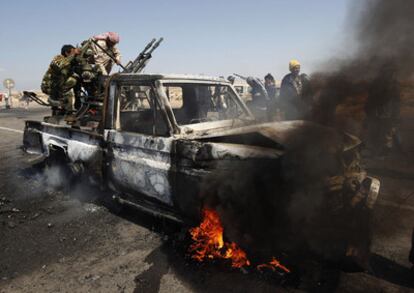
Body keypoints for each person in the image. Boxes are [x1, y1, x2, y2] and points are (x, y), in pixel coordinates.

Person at [365, 62, 401, 157]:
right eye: (388, 72)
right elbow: (371, 97)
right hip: (376, 111)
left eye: (392, 72)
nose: (391, 74)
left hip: (388, 112)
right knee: (374, 133)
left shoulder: (394, 84)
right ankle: (375, 151)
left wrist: (396, 114)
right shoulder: (377, 82)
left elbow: (397, 100)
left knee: (387, 133)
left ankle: (384, 152)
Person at [41, 44, 80, 115]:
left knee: (77, 80)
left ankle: (75, 105)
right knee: (71, 84)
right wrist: (73, 55)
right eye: (73, 52)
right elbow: (62, 65)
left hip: (58, 86)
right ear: (66, 53)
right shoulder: (58, 58)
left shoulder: (70, 62)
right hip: (49, 86)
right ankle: (68, 113)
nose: (75, 54)